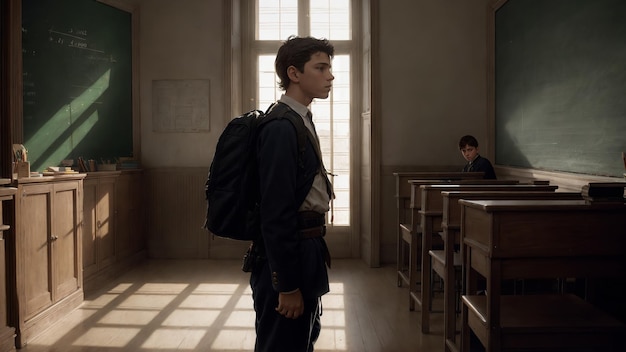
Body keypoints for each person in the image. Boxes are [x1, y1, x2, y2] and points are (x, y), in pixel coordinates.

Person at [249, 35, 335, 352]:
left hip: (306, 246)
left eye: (329, 67)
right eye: (321, 67)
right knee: (282, 344)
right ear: (294, 73)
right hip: (289, 253)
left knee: (302, 339)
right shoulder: (281, 127)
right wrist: (285, 285)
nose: (330, 75)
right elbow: (275, 213)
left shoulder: (299, 119)